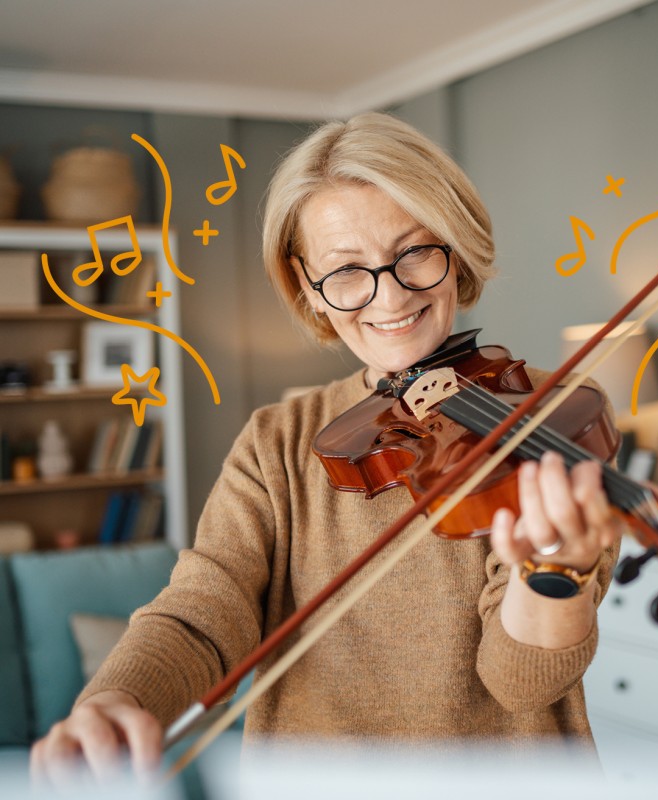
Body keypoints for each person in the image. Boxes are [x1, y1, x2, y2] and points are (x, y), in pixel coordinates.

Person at [31, 112, 621, 783]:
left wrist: (555, 574)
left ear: (457, 250)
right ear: (308, 287)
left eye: (416, 251)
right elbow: (204, 607)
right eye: (346, 271)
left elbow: (520, 684)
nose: (389, 295)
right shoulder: (276, 442)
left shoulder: (552, 416)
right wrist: (115, 701)